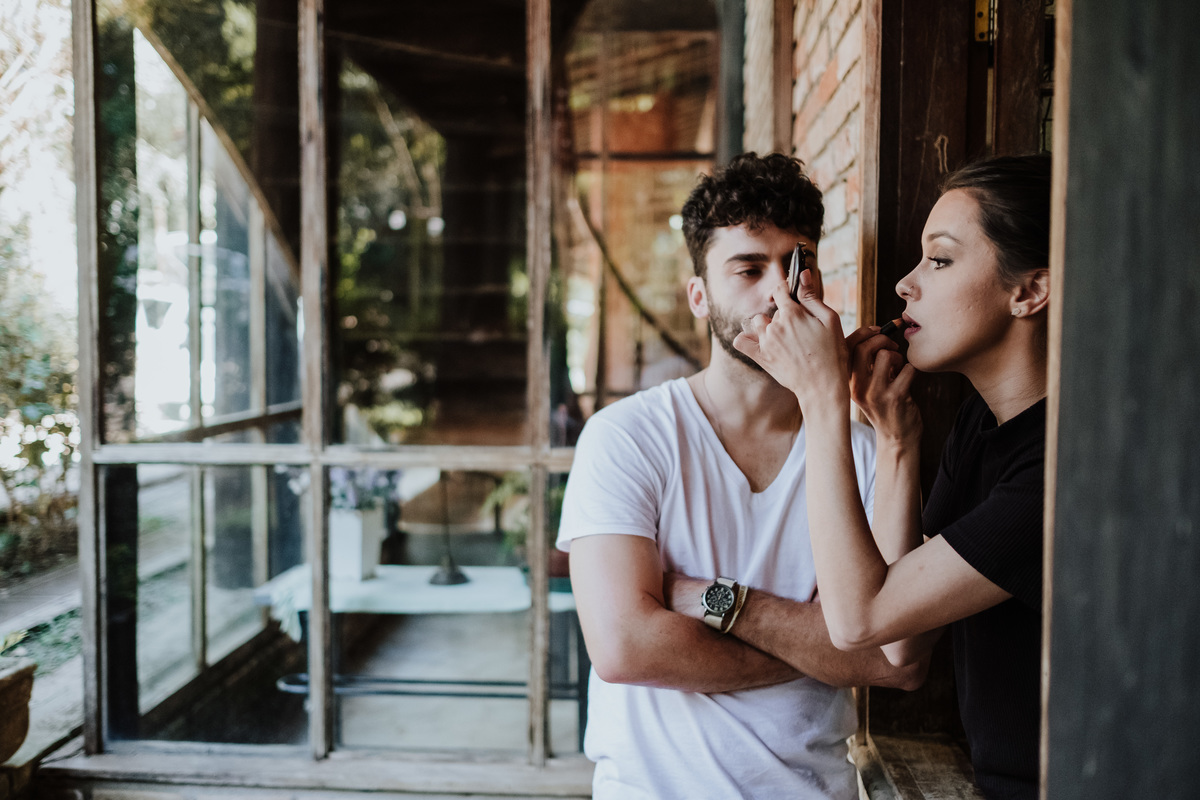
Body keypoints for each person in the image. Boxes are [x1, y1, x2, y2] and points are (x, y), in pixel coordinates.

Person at [557, 152, 926, 800]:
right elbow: (623, 648)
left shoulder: (866, 450)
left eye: (796, 263)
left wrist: (718, 601)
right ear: (698, 295)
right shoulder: (627, 438)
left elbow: (899, 661)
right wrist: (823, 648)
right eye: (749, 269)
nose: (779, 292)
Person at [707, 153, 1051, 799]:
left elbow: (859, 624)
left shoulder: (1060, 467)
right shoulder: (983, 423)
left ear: (1028, 291)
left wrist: (821, 400)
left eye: (940, 260)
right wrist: (896, 439)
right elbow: (900, 639)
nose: (905, 284)